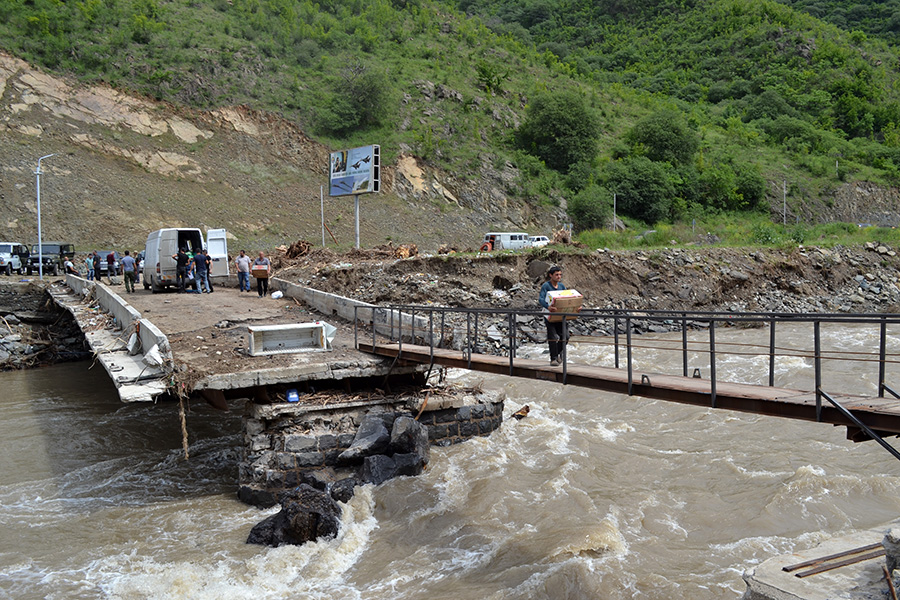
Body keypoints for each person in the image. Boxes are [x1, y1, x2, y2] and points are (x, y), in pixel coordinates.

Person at [539, 265, 577, 366]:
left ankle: (559, 353)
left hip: (561, 316)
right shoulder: (546, 286)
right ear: (550, 275)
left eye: (560, 275)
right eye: (556, 275)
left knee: (566, 336)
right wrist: (548, 307)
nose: (559, 277)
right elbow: (541, 299)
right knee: (552, 337)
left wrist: (575, 308)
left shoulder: (562, 286)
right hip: (550, 316)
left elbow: (567, 299)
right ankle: (553, 358)